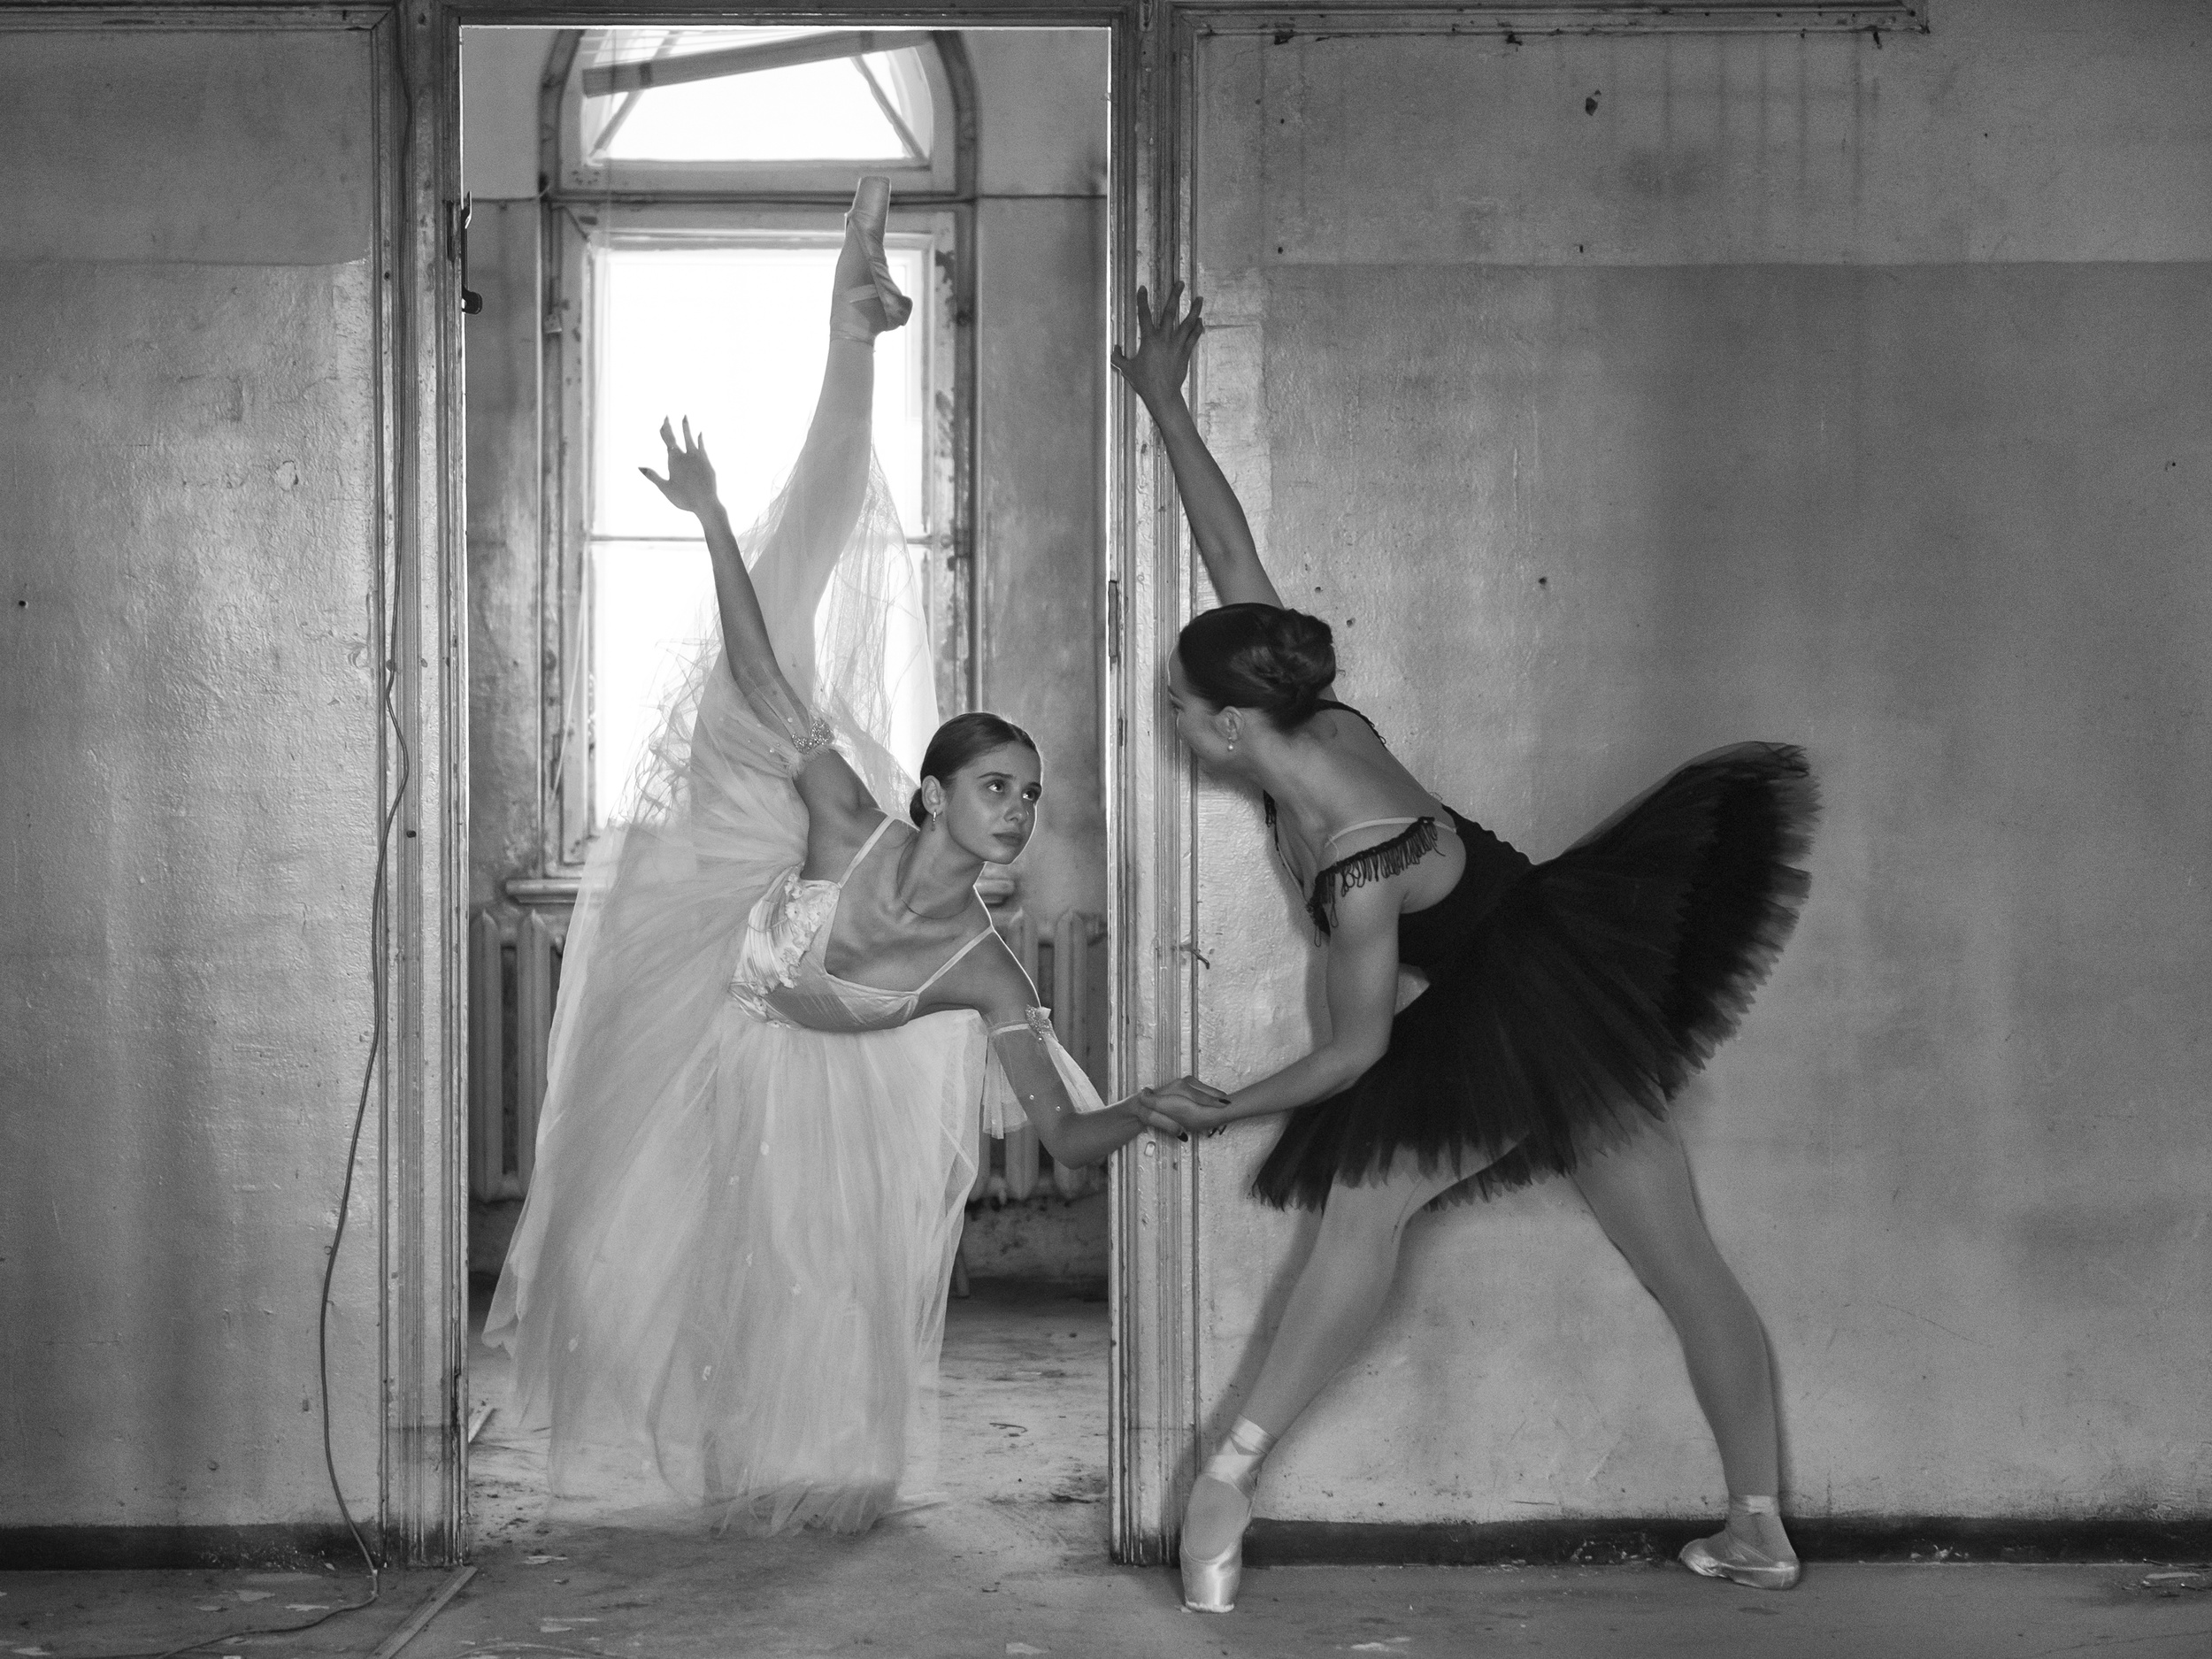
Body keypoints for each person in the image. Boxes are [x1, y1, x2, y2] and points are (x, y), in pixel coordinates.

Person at [485, 180, 1198, 1535]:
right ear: (931, 797)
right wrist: (707, 516)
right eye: (995, 789)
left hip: (827, 1070)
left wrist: (1149, 1111)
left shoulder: (987, 968)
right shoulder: (846, 819)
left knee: (815, 1269)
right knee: (771, 643)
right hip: (730, 986)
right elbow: (759, 668)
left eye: (1032, 798)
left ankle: (805, 1461)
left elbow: (1064, 1134)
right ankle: (853, 330)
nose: (1019, 813)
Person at [1113, 283, 1819, 1610]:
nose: (1171, 718)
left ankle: (1225, 1485)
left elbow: (1356, 1053)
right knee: (1677, 1253)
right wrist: (1164, 402)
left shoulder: (1356, 854)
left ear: (1225, 727)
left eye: (1173, 706)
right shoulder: (1304, 717)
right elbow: (1230, 553)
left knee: (1366, 1208)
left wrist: (1225, 1107)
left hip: (1531, 995)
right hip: (1555, 972)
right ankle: (1761, 1526)